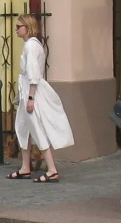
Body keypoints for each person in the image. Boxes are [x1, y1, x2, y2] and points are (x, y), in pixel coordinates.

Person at [9, 14, 74, 181]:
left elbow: (33, 74)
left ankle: (52, 169)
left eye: (18, 27)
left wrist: (30, 98)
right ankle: (25, 167)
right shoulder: (33, 45)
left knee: (36, 128)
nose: (16, 30)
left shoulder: (31, 46)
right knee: (22, 127)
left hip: (31, 93)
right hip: (27, 91)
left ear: (27, 28)